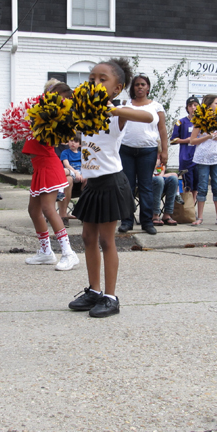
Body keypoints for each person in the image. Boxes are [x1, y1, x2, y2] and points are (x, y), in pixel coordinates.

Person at [68, 58, 157, 318]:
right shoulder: (84, 113)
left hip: (111, 183)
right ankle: (94, 291)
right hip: (92, 184)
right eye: (91, 78)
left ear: (117, 89)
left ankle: (111, 297)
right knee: (87, 238)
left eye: (102, 79)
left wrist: (114, 110)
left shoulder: (118, 113)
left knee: (107, 240)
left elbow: (147, 115)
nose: (95, 82)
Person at [22, 82, 79, 271]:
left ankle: (68, 253)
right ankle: (46, 252)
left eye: (55, 93)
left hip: (48, 165)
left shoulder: (56, 117)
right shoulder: (43, 111)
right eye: (49, 92)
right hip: (39, 166)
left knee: (48, 209)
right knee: (33, 210)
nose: (48, 95)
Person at [118, 73, 168, 235]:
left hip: (148, 151)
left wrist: (165, 151)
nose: (140, 87)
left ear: (148, 88)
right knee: (128, 187)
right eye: (137, 84)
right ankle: (127, 221)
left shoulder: (156, 107)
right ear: (132, 88)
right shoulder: (126, 105)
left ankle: (147, 222)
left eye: (143, 84)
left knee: (146, 186)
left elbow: (162, 130)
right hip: (126, 150)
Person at [190, 95, 217, 226]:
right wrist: (206, 137)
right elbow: (192, 140)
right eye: (216, 103)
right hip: (202, 158)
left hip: (216, 158)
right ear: (209, 104)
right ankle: (200, 217)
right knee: (202, 187)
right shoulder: (200, 120)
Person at [170, 96, 199, 196]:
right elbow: (173, 140)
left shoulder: (203, 122)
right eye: (190, 105)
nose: (193, 108)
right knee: (187, 183)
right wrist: (186, 140)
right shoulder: (181, 122)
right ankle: (186, 204)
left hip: (199, 157)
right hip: (186, 157)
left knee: (197, 184)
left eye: (195, 105)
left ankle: (192, 206)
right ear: (187, 108)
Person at [58, 134, 83, 227]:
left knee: (89, 180)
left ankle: (84, 210)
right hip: (71, 173)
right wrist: (76, 172)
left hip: (80, 176)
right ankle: (59, 192)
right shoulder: (65, 152)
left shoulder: (82, 154)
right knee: (64, 171)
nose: (73, 143)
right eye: (71, 140)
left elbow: (85, 165)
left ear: (80, 145)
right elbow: (67, 164)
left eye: (76, 141)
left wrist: (83, 174)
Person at [151, 154, 178, 226]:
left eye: (159, 156)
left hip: (159, 183)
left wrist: (159, 165)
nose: (158, 158)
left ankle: (167, 214)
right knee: (159, 180)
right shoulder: (146, 158)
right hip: (146, 184)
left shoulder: (160, 165)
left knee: (173, 179)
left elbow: (160, 174)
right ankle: (155, 214)